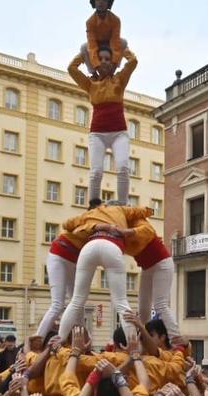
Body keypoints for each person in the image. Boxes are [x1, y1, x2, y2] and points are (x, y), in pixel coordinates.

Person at [57, 203, 156, 340]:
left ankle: (58, 341)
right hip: (112, 246)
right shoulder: (119, 208)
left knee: (76, 301)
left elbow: (67, 224)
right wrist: (150, 210)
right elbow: (138, 211)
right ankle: (133, 347)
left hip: (89, 247)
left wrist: (92, 225)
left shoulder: (90, 214)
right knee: (121, 301)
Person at [68, 45, 138, 204]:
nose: (105, 62)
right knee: (96, 171)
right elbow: (71, 68)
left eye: (108, 59)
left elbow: (133, 61)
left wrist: (122, 46)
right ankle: (93, 204)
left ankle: (123, 202)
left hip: (119, 133)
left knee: (123, 168)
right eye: (101, 59)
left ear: (113, 61)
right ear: (95, 62)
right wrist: (85, 53)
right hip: (97, 134)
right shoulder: (90, 84)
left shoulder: (120, 79)